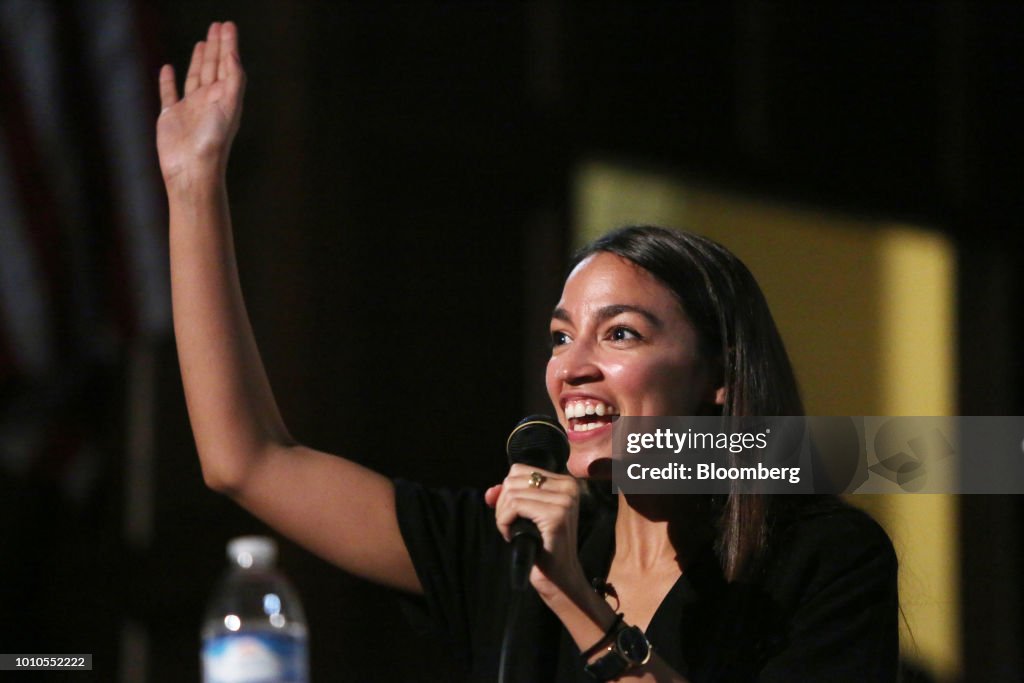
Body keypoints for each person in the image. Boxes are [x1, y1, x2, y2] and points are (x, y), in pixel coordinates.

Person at [157, 22, 898, 682]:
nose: (572, 364)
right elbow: (247, 458)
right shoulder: (508, 549)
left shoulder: (821, 560)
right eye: (560, 335)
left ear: (719, 377)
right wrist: (194, 186)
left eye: (620, 333)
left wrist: (577, 602)